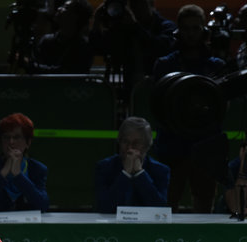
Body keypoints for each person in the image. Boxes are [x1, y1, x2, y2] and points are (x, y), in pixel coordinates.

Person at [152, 4, 226, 213]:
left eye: (195, 28)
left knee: (204, 205)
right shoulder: (165, 65)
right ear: (178, 30)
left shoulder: (216, 66)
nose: (191, 33)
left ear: (204, 30)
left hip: (206, 143)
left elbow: (221, 107)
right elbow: (159, 104)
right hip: (172, 142)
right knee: (167, 204)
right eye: (186, 28)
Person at [89, 0, 176, 102]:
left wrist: (135, 26)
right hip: (131, 91)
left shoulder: (166, 26)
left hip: (159, 89)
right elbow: (98, 48)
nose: (136, 8)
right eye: (132, 5)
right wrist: (97, 22)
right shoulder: (125, 30)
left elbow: (158, 47)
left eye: (140, 3)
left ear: (151, 5)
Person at [0, 112, 50, 213]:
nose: (11, 142)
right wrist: (3, 173)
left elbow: (43, 206)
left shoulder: (38, 169)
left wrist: (18, 175)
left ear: (28, 142)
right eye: (6, 137)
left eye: (17, 137)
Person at [94, 116, 170, 213]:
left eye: (136, 143)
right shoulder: (104, 168)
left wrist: (140, 173)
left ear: (147, 145)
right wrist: (125, 174)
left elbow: (160, 210)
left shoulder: (161, 171)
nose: (129, 148)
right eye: (125, 142)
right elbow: (104, 208)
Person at [30, 0, 94, 74]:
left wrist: (31, 66)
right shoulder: (47, 40)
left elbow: (66, 74)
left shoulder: (83, 46)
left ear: (75, 16)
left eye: (65, 7)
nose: (59, 9)